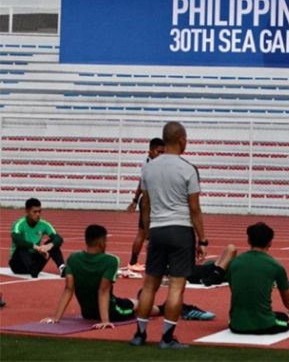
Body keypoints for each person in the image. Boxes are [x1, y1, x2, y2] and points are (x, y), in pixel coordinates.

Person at [130, 121, 206, 350]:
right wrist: (202, 239)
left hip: (157, 229)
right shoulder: (188, 168)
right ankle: (166, 338)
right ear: (181, 140)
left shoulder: (148, 167)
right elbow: (194, 209)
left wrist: (148, 233)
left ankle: (140, 334)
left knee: (150, 284)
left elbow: (145, 206)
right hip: (180, 229)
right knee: (176, 286)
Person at [41, 224, 210, 327]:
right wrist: (106, 320)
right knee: (138, 305)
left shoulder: (73, 258)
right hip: (113, 311)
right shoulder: (110, 260)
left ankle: (151, 302)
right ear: (101, 242)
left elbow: (69, 289)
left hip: (88, 312)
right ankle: (166, 308)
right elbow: (103, 291)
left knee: (135, 301)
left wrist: (56, 318)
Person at [227, 222, 289, 334]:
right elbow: (287, 300)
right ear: (270, 242)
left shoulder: (234, 263)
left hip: (235, 324)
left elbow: (236, 290)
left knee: (278, 314)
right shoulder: (275, 266)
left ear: (248, 241)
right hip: (264, 325)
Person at [125, 138, 165, 273]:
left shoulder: (149, 163)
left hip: (152, 200)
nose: (161, 155)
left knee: (145, 233)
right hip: (150, 201)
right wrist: (136, 200)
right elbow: (142, 184)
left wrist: (135, 200)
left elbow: (141, 183)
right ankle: (141, 262)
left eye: (163, 152)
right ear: (151, 151)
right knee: (146, 233)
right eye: (159, 151)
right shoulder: (152, 165)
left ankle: (133, 262)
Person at [9, 198, 65, 278]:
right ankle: (32, 268)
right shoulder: (19, 224)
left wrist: (49, 246)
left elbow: (59, 238)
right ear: (27, 211)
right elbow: (17, 239)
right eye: (34, 212)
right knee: (22, 246)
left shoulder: (44, 224)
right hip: (17, 264)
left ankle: (62, 268)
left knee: (53, 242)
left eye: (39, 211)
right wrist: (36, 247)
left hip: (34, 262)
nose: (38, 214)